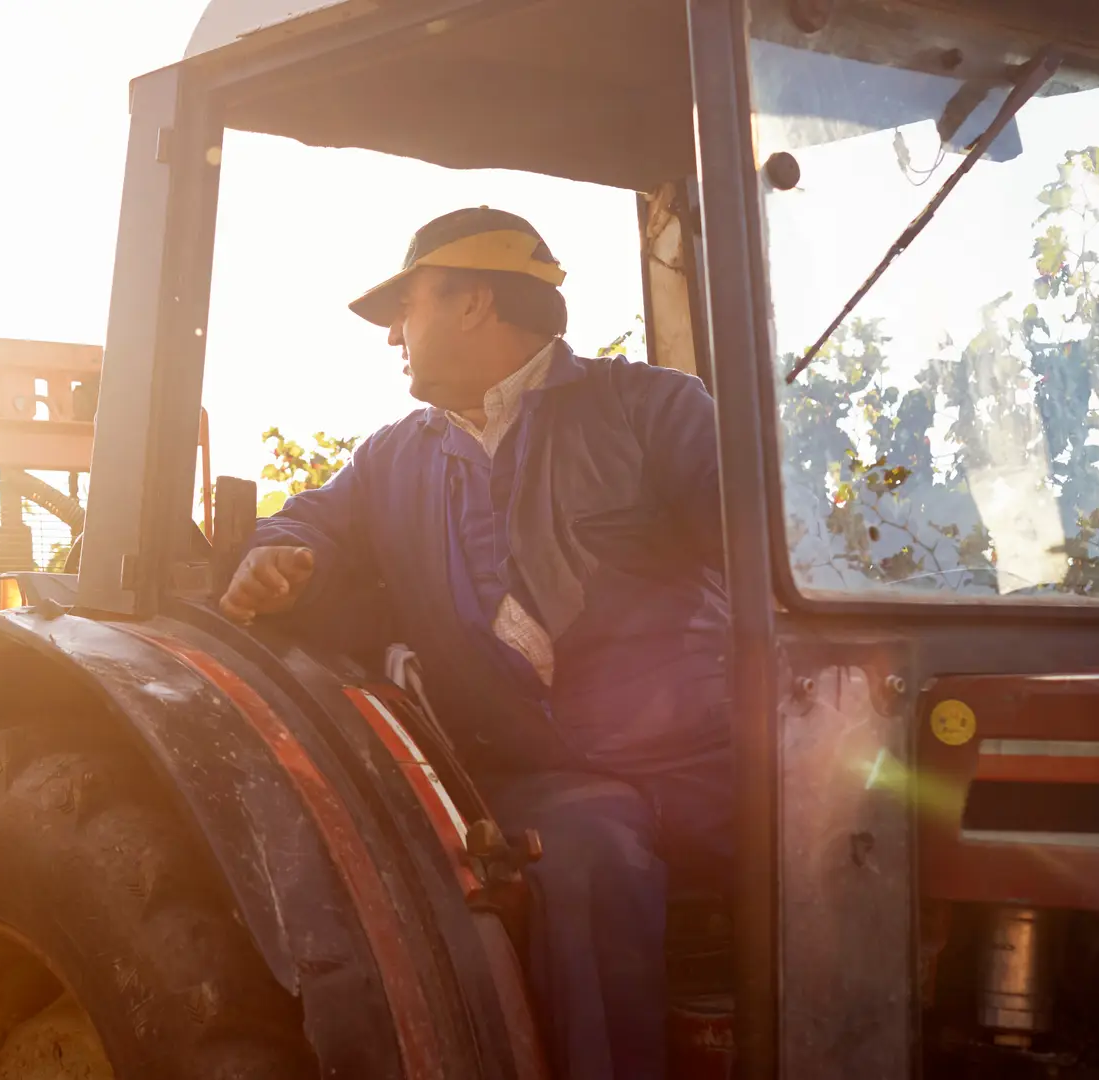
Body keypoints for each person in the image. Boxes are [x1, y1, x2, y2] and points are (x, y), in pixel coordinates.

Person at [218, 207, 732, 1079]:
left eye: (404, 307)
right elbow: (307, 523)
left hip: (698, 757)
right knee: (588, 853)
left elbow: (766, 557)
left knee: (849, 824)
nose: (391, 337)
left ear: (473, 304)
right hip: (536, 774)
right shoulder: (392, 459)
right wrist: (270, 556)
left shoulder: (654, 412)